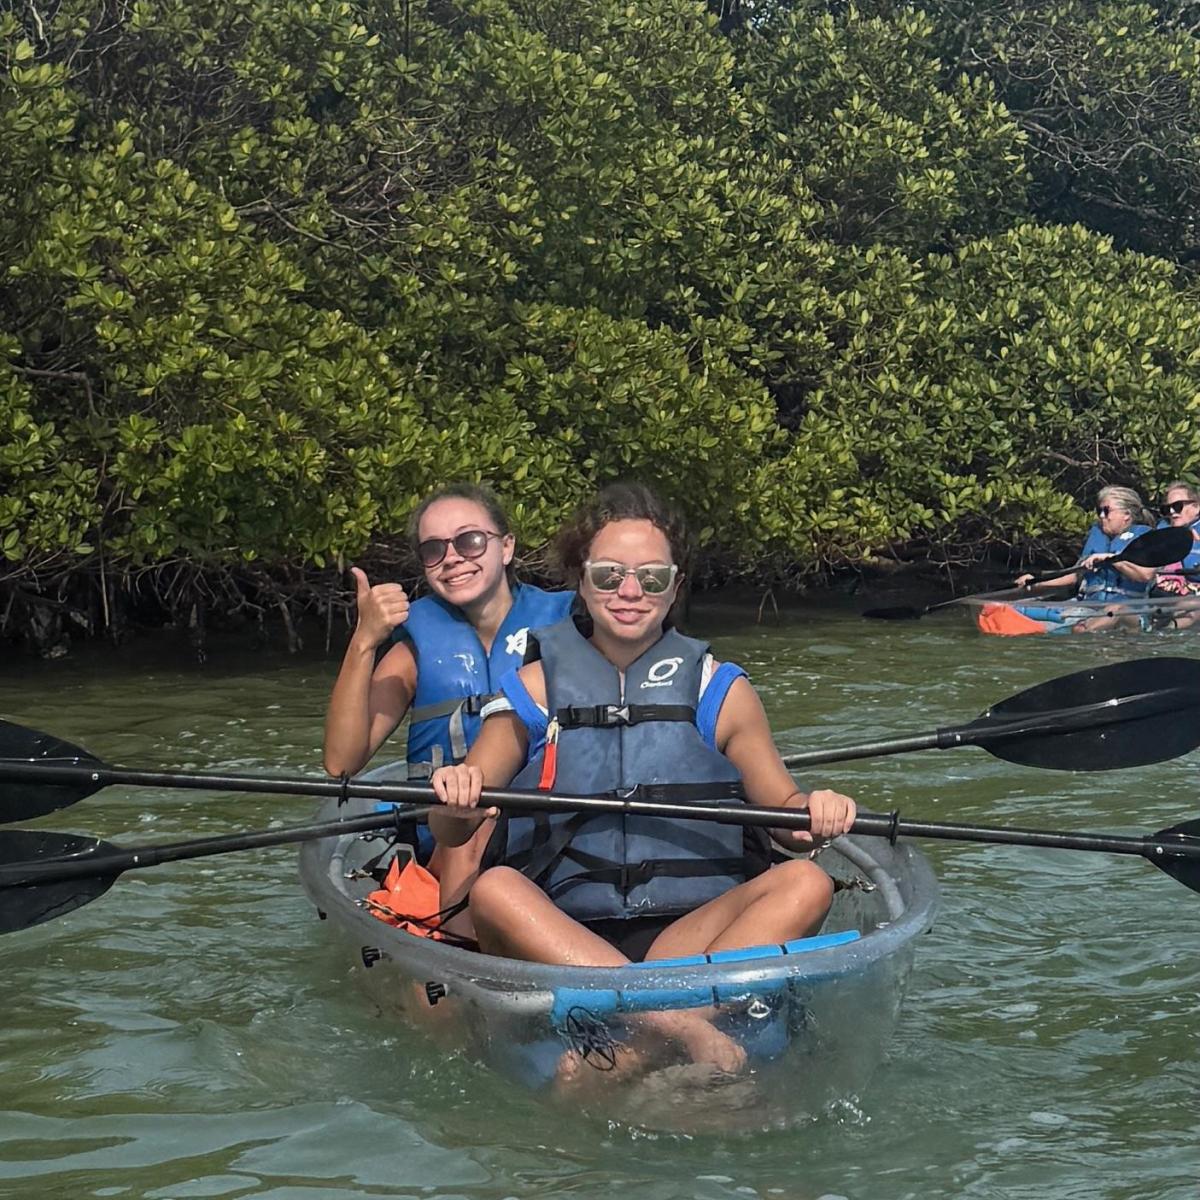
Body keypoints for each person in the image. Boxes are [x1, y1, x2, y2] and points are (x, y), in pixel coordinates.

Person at [427, 483, 856, 1071]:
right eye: (608, 576)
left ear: (674, 587)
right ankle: (677, 1024)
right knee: (495, 889)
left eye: (651, 578)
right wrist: (456, 799)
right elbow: (452, 829)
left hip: (694, 941)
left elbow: (784, 811)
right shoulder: (533, 690)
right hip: (563, 939)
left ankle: (633, 1044)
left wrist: (814, 813)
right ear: (581, 580)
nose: (629, 592)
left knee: (807, 883)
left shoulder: (720, 689)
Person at [323, 482, 574, 938]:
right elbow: (342, 761)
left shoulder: (569, 624)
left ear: (506, 547)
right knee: (470, 820)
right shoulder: (416, 647)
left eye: (470, 540)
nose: (453, 558)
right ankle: (462, 950)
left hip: (546, 827)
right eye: (434, 549)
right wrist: (365, 640)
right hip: (449, 835)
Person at [1014, 486, 1154, 632]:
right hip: (1089, 607)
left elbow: (1146, 575)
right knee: (1015, 610)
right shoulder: (1098, 536)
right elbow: (1074, 575)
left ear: (1126, 514)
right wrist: (1036, 583)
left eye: (1106, 511)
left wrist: (1112, 559)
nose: (1101, 516)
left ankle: (1083, 631)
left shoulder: (1144, 538)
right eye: (1099, 511)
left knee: (1115, 610)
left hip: (1130, 613)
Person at [1150, 480, 1200, 628]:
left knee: (1191, 604)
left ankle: (1169, 629)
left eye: (1177, 506)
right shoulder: (1160, 532)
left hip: (1193, 596)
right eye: (1168, 509)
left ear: (1196, 506)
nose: (1172, 513)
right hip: (1162, 595)